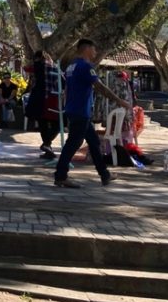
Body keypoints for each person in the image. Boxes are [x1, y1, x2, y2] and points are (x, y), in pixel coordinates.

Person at [54, 38, 131, 189]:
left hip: (74, 109)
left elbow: (67, 89)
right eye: (94, 49)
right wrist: (119, 101)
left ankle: (104, 174)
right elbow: (99, 86)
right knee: (73, 144)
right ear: (87, 49)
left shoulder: (71, 66)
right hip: (80, 111)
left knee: (94, 143)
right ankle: (60, 176)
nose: (95, 52)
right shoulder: (84, 66)